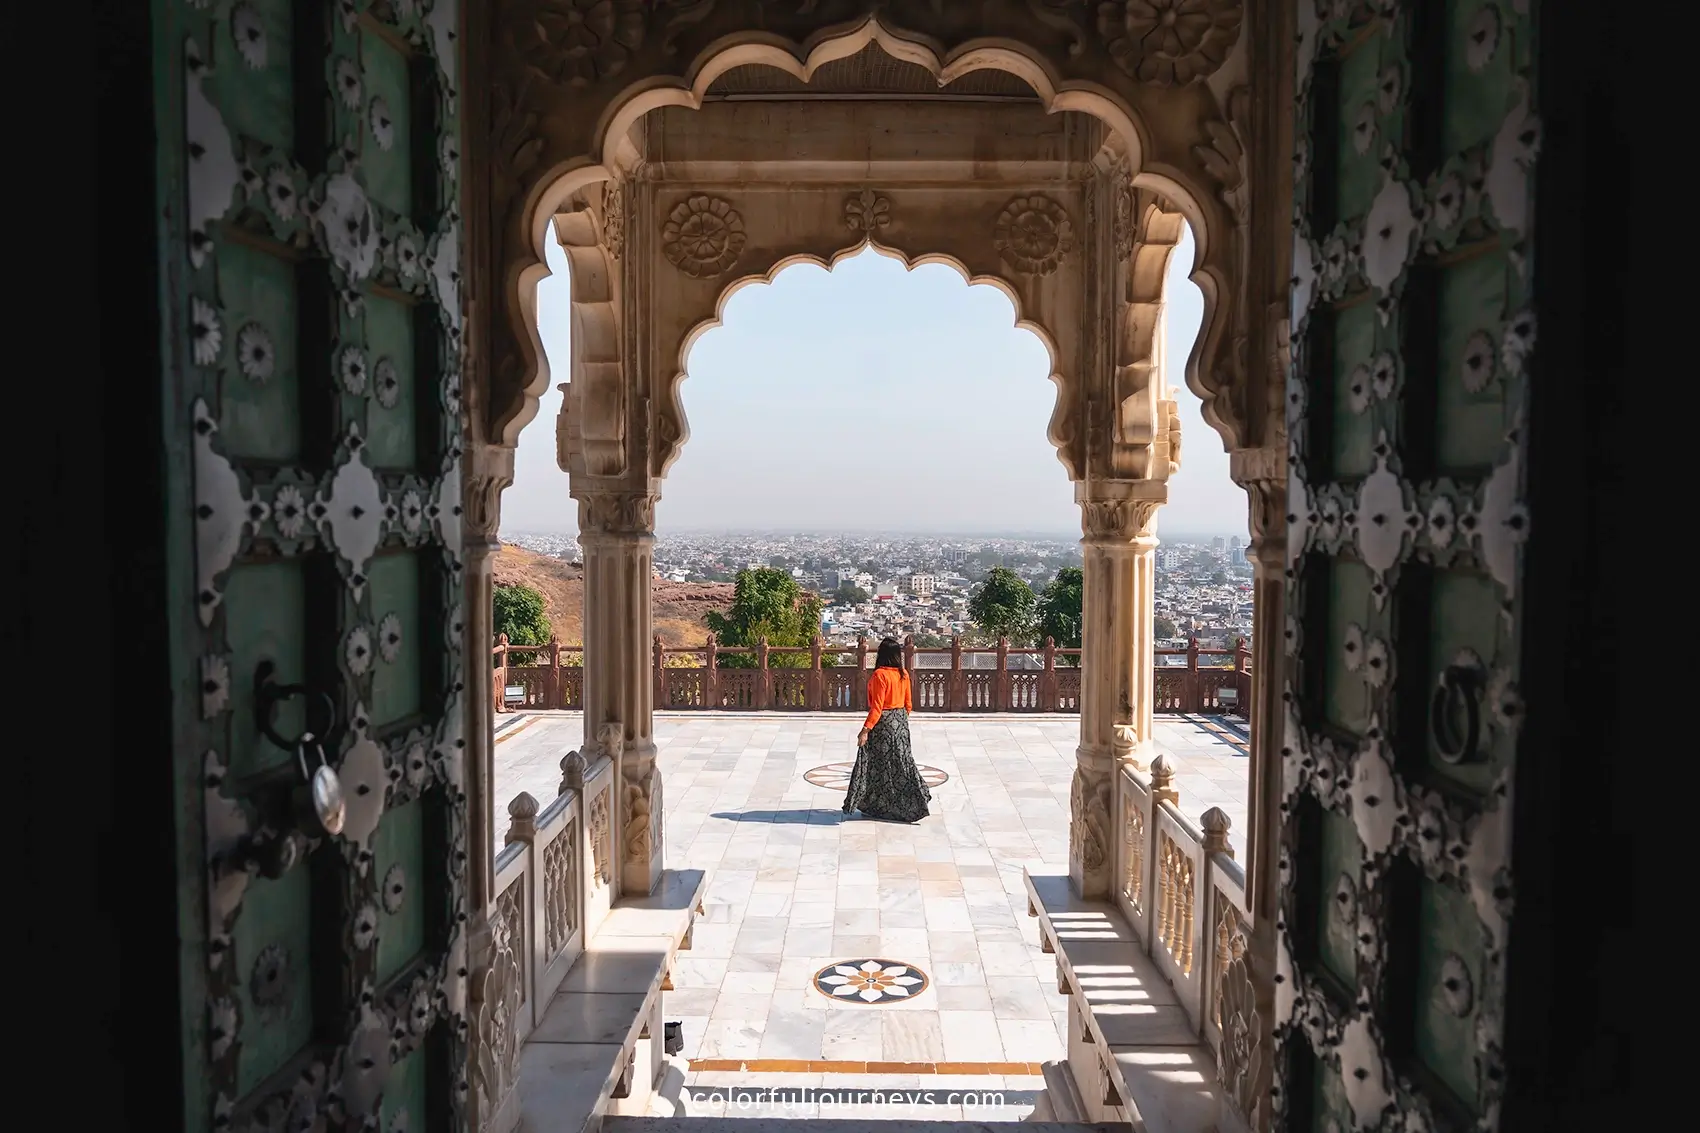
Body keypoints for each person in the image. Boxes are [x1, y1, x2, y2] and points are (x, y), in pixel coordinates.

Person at [842, 636, 931, 822]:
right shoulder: (903, 674)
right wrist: (899, 723)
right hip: (900, 722)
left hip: (884, 725)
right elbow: (908, 704)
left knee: (879, 766)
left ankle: (878, 804)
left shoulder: (880, 675)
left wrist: (865, 729)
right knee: (902, 763)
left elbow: (877, 707)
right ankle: (913, 802)